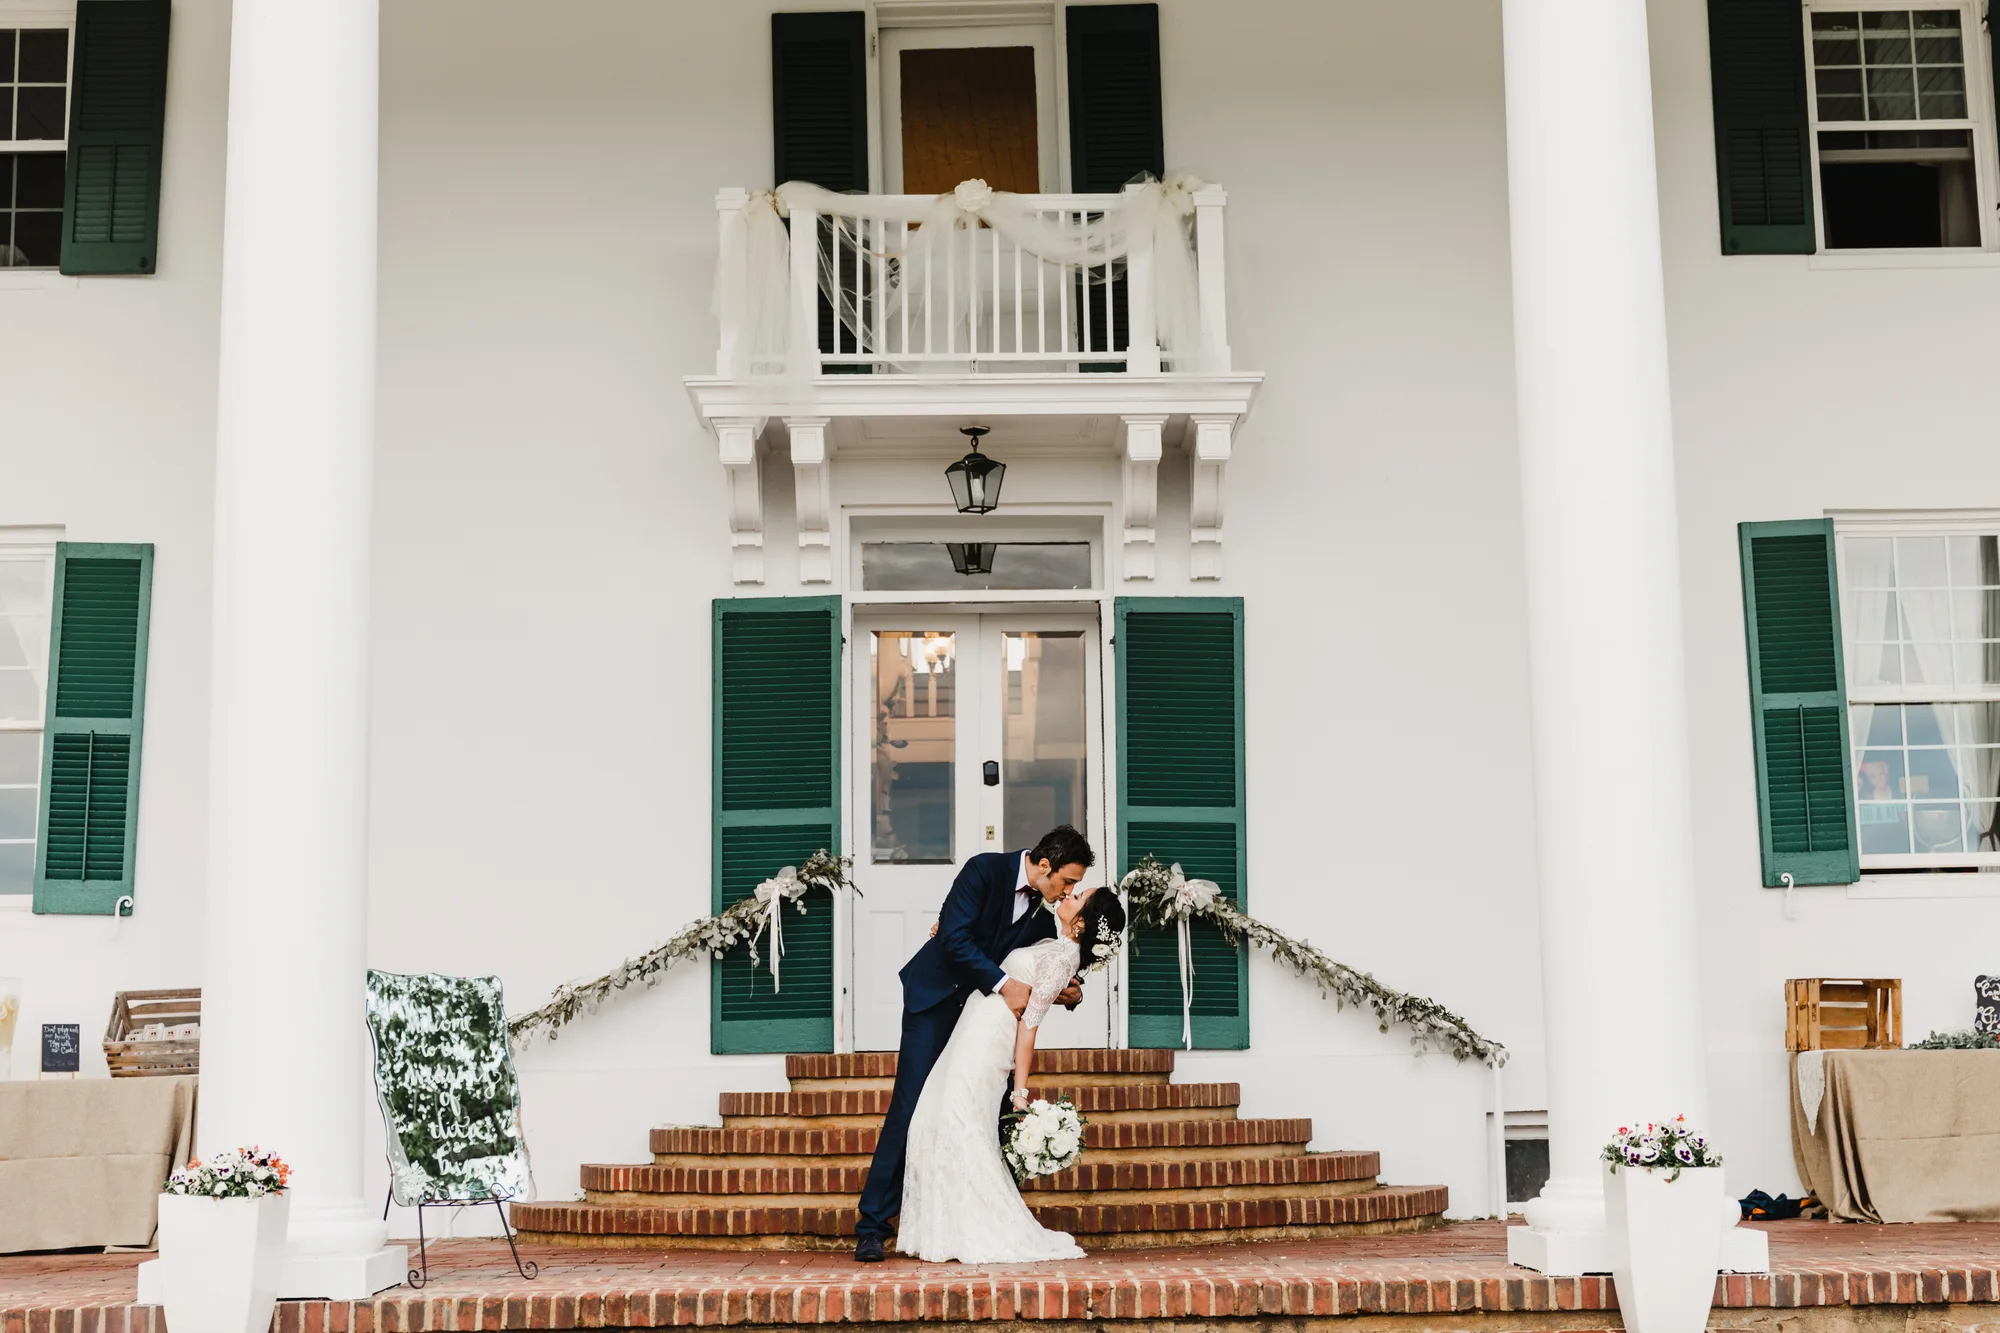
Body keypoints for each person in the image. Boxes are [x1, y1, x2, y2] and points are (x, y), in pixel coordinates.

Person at [852, 825, 1094, 1263]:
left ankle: (983, 1216)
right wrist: (1005, 985)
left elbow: (1056, 963)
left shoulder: (1045, 915)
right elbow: (954, 937)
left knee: (984, 1113)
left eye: (1075, 886)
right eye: (1067, 880)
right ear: (1044, 866)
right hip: (937, 1000)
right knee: (911, 1107)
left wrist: (1074, 992)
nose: (1069, 890)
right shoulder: (983, 870)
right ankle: (872, 1226)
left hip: (982, 1025)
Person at [893, 884, 1127, 1263]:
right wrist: (949, 930)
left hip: (988, 1041)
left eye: (1078, 896)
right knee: (931, 1118)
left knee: (958, 1123)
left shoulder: (1059, 960)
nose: (1068, 894)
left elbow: (1030, 1028)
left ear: (1082, 923)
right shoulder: (1054, 946)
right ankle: (945, 1229)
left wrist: (1020, 1090)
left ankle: (976, 1231)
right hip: (971, 1028)